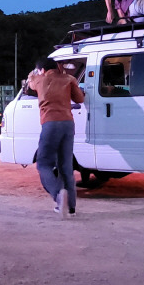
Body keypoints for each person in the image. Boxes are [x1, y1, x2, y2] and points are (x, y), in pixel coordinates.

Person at [27, 57, 85, 218]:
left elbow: (30, 84)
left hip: (50, 124)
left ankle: (58, 195)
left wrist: (34, 73)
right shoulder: (69, 79)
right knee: (66, 166)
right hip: (68, 124)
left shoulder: (39, 79)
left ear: (42, 70)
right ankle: (71, 208)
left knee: (43, 164)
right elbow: (80, 99)